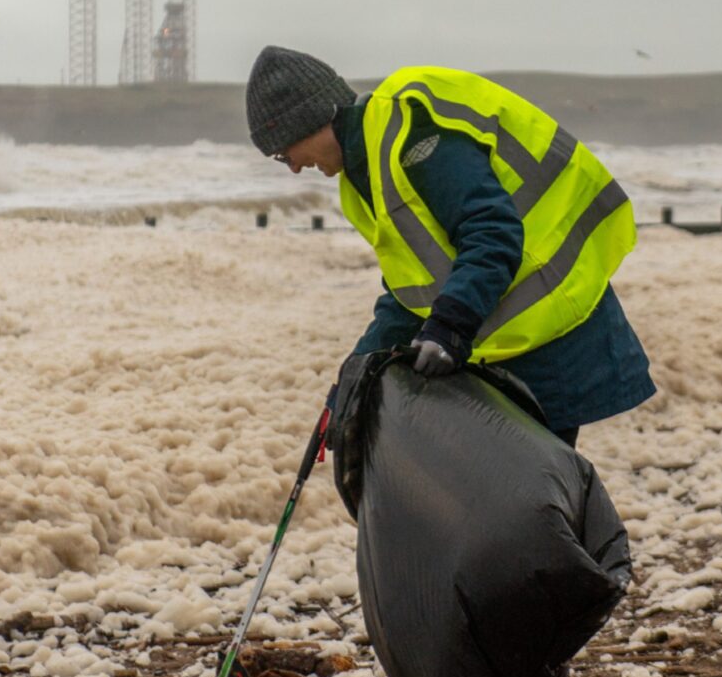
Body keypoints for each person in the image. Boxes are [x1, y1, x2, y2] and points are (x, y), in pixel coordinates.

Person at [246, 46, 655, 446]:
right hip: (506, 339)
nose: (295, 168)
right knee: (513, 501)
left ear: (311, 120)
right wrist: (352, 382)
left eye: (285, 154)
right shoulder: (363, 172)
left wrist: (448, 329)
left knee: (533, 502)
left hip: (557, 333)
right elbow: (411, 293)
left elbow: (491, 231)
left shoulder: (410, 134)